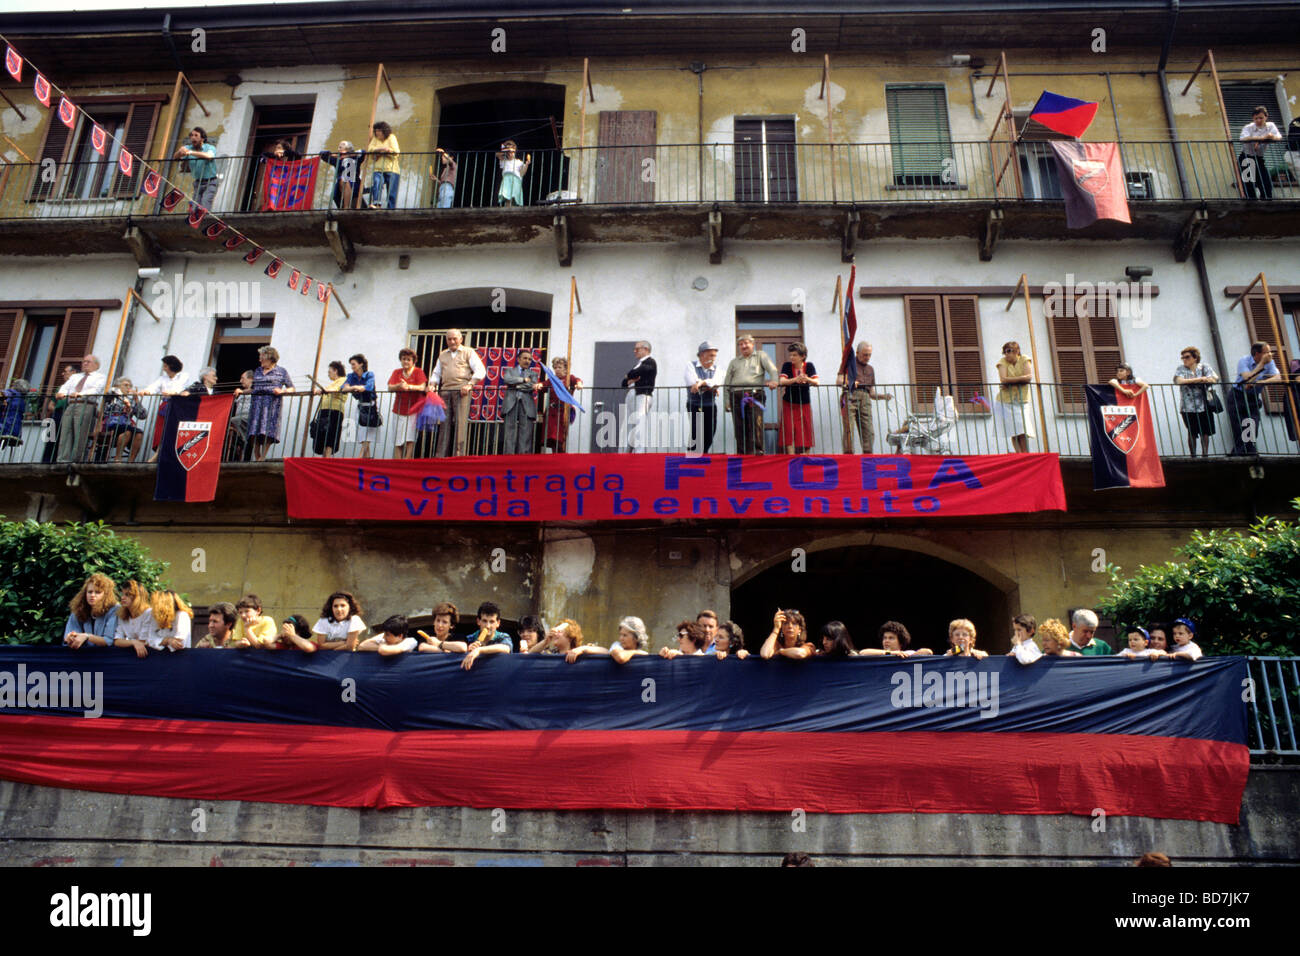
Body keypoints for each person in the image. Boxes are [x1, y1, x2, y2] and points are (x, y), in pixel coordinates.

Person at [432, 329, 487, 457]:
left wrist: (470, 384)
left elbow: (480, 370)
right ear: (446, 340)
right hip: (445, 390)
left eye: (455, 339)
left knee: (460, 424)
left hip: (461, 390)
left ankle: (459, 455)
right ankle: (440, 456)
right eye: (449, 339)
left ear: (461, 339)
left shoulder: (468, 352)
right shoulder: (442, 354)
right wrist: (432, 385)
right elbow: (436, 373)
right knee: (444, 424)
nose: (452, 341)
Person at [724, 334, 780, 455]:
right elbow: (727, 382)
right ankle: (742, 453)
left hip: (754, 395)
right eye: (741, 344)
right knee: (739, 426)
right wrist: (727, 401)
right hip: (736, 396)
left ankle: (757, 451)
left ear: (752, 344)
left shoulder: (761, 355)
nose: (743, 346)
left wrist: (774, 380)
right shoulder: (734, 362)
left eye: (746, 343)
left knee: (755, 423)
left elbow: (772, 369)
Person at [837, 341, 892, 454]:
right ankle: (848, 456)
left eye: (869, 355)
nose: (867, 357)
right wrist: (849, 382)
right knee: (849, 429)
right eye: (865, 354)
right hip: (850, 396)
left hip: (865, 398)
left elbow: (871, 393)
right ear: (857, 353)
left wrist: (883, 396)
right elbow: (838, 381)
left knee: (868, 430)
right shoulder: (848, 364)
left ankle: (868, 455)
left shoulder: (870, 369)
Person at [1227, 341, 1281, 457]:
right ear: (1257, 354)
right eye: (1267, 352)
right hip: (1238, 397)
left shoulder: (1269, 362)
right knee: (1240, 429)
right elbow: (1248, 379)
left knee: (1253, 426)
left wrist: (1262, 382)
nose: (1270, 355)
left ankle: (1241, 454)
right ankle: (1246, 454)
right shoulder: (1244, 361)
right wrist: (1261, 364)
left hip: (1252, 398)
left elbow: (1278, 377)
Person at [56, 354, 107, 462]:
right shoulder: (75, 376)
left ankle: (77, 460)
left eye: (88, 361)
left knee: (80, 434)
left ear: (96, 365)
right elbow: (65, 387)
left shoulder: (100, 377)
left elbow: (96, 390)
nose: (85, 363)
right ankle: (62, 460)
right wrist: (61, 393)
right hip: (71, 405)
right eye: (84, 361)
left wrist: (80, 394)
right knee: (66, 432)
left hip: (86, 405)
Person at [248, 346, 294, 461]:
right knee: (255, 430)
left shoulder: (281, 371)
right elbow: (252, 388)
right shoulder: (258, 371)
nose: (260, 360)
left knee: (268, 430)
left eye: (261, 357)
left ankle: (262, 457)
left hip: (272, 405)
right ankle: (257, 455)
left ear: (270, 358)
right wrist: (240, 391)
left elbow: (292, 388)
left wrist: (282, 391)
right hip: (257, 404)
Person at [139, 355, 187, 461]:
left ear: (172, 366)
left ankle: (160, 456)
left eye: (165, 366)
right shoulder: (162, 379)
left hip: (176, 406)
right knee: (161, 431)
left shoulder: (183, 376)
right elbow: (153, 387)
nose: (164, 368)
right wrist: (146, 391)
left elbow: (180, 388)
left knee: (171, 431)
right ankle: (159, 454)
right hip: (165, 406)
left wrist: (173, 393)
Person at [438, 601, 512, 670]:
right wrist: (467, 651)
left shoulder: (503, 637)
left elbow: (506, 648)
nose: (488, 626)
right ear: (478, 621)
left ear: (498, 623)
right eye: (484, 621)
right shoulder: (470, 638)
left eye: (492, 622)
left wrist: (478, 650)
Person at [1173, 346, 1218, 457]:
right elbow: (1179, 381)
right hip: (1187, 406)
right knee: (1192, 431)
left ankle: (1205, 455)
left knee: (1205, 431)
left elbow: (1214, 378)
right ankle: (1193, 456)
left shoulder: (1204, 367)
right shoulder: (1181, 369)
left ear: (1195, 357)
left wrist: (1205, 379)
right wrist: (1199, 379)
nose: (1184, 360)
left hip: (1204, 404)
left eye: (1187, 357)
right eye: (1182, 357)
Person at [994, 341, 1035, 453]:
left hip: (1022, 399)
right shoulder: (1002, 362)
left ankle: (1025, 453)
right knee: (1013, 430)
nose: (1006, 354)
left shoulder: (1025, 359)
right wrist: (1020, 380)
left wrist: (1010, 381)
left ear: (1017, 351)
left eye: (1009, 351)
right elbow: (1003, 379)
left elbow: (1029, 378)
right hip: (1006, 401)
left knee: (1023, 429)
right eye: (1004, 352)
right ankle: (1018, 454)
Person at [386, 348, 427, 460]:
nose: (406, 362)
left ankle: (407, 460)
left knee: (410, 437)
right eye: (404, 359)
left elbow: (422, 387)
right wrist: (398, 386)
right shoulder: (397, 372)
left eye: (408, 359)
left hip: (414, 409)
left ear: (413, 361)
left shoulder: (418, 372)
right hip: (398, 409)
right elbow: (389, 387)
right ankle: (398, 461)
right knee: (398, 438)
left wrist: (409, 387)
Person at [778, 343, 818, 454]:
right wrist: (796, 379)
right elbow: (782, 381)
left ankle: (805, 455)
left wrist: (807, 379)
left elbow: (816, 382)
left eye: (794, 355)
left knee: (805, 428)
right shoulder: (786, 365)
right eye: (790, 355)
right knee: (788, 428)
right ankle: (791, 456)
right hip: (789, 402)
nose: (791, 358)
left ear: (802, 356)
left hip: (804, 402)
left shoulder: (809, 366)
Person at [501, 349, 542, 454]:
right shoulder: (509, 371)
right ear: (518, 359)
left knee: (525, 433)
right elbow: (507, 380)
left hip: (526, 405)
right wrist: (523, 380)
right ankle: (508, 458)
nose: (527, 361)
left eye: (529, 359)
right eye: (525, 358)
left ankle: (523, 458)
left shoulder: (533, 374)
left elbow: (531, 386)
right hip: (511, 404)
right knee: (509, 433)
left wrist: (516, 386)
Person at [62, 573, 119, 649]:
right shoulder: (78, 609)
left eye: (97, 592)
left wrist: (87, 636)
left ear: (106, 595)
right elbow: (69, 636)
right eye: (89, 592)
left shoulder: (115, 609)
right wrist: (71, 638)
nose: (92, 595)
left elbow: (109, 641)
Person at [685, 341, 722, 454]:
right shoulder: (690, 365)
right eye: (711, 355)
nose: (713, 358)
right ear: (701, 355)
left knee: (710, 432)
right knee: (696, 432)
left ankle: (703, 453)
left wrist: (701, 383)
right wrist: (710, 386)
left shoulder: (718, 368)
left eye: (714, 355)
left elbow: (717, 381)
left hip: (710, 405)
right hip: (695, 404)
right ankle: (693, 454)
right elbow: (692, 381)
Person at [1238, 106, 1282, 200]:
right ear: (1253, 118)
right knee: (1248, 182)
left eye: (1261, 118)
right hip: (1246, 157)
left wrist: (1267, 137)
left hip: (1259, 158)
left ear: (1266, 117)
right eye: (1256, 118)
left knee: (1265, 181)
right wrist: (1262, 139)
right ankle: (1251, 202)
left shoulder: (1270, 126)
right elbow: (1243, 139)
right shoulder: (1249, 127)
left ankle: (1266, 201)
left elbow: (1278, 137)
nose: (1258, 120)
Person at [98, 377, 146, 462]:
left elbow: (143, 415)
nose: (128, 388)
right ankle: (117, 458)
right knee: (127, 432)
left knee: (139, 434)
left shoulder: (131, 401)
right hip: (111, 423)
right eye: (125, 385)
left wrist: (137, 400)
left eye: (130, 386)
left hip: (125, 424)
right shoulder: (112, 396)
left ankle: (130, 461)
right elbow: (107, 402)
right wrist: (123, 399)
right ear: (118, 386)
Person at [622, 340, 657, 453]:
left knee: (639, 422)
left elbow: (637, 372)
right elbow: (623, 383)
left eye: (637, 349)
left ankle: (639, 451)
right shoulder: (638, 364)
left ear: (646, 349)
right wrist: (631, 376)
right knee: (630, 423)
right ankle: (628, 450)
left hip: (642, 395)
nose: (635, 351)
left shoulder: (650, 362)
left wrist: (630, 375)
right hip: (633, 396)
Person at [173, 126, 218, 209]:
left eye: (196, 135)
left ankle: (204, 220)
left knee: (205, 204)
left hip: (210, 182)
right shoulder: (188, 147)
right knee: (195, 207)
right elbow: (175, 158)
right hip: (198, 182)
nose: (193, 137)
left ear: (202, 138)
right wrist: (180, 152)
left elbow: (209, 156)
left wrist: (190, 152)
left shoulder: (210, 147)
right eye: (191, 135)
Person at [543, 357, 582, 453]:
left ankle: (561, 457)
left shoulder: (569, 378)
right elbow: (543, 385)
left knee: (560, 437)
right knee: (552, 438)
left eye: (559, 367)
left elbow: (578, 380)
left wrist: (579, 384)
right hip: (552, 412)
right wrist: (539, 385)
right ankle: (556, 457)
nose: (557, 370)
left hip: (563, 411)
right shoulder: (552, 380)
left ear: (565, 368)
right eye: (555, 368)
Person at [344, 354, 379, 458]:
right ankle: (367, 457)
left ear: (361, 364)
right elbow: (344, 388)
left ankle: (360, 456)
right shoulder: (351, 376)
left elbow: (369, 386)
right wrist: (355, 387)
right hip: (361, 405)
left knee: (368, 431)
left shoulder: (369, 374)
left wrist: (354, 387)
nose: (352, 366)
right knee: (362, 431)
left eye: (354, 364)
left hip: (371, 406)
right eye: (351, 365)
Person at [311, 361, 348, 457]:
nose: (328, 374)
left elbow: (337, 389)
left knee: (330, 434)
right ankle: (324, 457)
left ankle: (326, 457)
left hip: (334, 411)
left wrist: (323, 390)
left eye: (329, 371)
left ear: (335, 370)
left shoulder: (343, 380)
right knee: (322, 434)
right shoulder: (332, 383)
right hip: (325, 410)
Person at [43, 364, 77, 463]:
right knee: (51, 439)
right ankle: (47, 462)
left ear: (73, 373)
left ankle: (58, 461)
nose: (62, 374)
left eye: (65, 371)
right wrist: (56, 411)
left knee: (64, 440)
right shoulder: (60, 388)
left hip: (70, 414)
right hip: (58, 414)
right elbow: (50, 405)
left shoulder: (77, 388)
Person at [113, 581, 156, 659]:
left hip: (149, 656)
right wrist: (133, 642)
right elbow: (117, 641)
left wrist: (128, 642)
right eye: (122, 594)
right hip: (131, 656)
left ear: (137, 597)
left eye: (127, 595)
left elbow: (143, 642)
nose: (122, 597)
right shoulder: (123, 615)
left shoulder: (148, 613)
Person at [319, 140, 366, 209]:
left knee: (344, 179)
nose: (339, 148)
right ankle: (344, 207)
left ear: (348, 148)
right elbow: (322, 154)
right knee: (343, 179)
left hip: (354, 182)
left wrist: (348, 155)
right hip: (341, 184)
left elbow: (363, 152)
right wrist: (333, 154)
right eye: (339, 147)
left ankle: (346, 207)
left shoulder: (355, 158)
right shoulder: (337, 159)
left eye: (342, 146)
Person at [366, 122, 401, 209]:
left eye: (379, 130)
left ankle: (391, 208)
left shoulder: (391, 137)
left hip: (392, 169)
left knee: (391, 190)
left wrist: (380, 152)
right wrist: (381, 149)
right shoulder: (375, 139)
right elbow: (370, 149)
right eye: (376, 130)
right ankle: (377, 204)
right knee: (377, 183)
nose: (377, 132)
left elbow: (396, 152)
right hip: (378, 168)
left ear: (384, 131)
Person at [226, 369, 255, 461]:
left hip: (248, 419)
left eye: (243, 378)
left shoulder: (256, 391)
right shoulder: (240, 392)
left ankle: (243, 442)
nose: (240, 381)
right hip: (239, 421)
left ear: (251, 379)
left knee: (232, 421)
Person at [860, 620, 933, 657]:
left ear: (900, 642)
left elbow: (928, 652)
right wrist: (892, 653)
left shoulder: (906, 653)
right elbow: (862, 653)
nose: (886, 641)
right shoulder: (879, 654)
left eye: (891, 638)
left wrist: (909, 656)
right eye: (884, 638)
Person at [496, 140, 531, 206]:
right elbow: (497, 154)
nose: (510, 153)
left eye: (512, 152)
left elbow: (522, 174)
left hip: (516, 180)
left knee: (514, 198)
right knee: (508, 198)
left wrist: (526, 164)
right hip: (506, 180)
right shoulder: (503, 161)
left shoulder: (518, 162)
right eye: (508, 152)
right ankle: (507, 212)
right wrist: (507, 149)